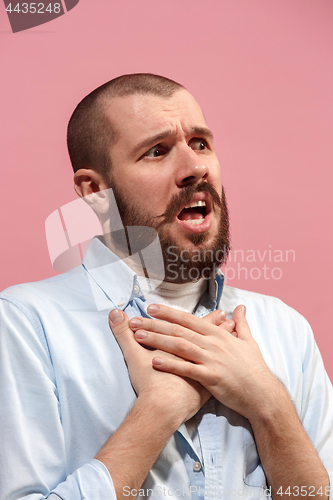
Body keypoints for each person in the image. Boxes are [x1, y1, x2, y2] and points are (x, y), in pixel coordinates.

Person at [0, 73, 332, 500]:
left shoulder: (285, 329)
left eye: (200, 143)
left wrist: (269, 402)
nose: (196, 168)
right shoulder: (25, 325)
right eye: (157, 151)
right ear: (95, 192)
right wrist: (157, 412)